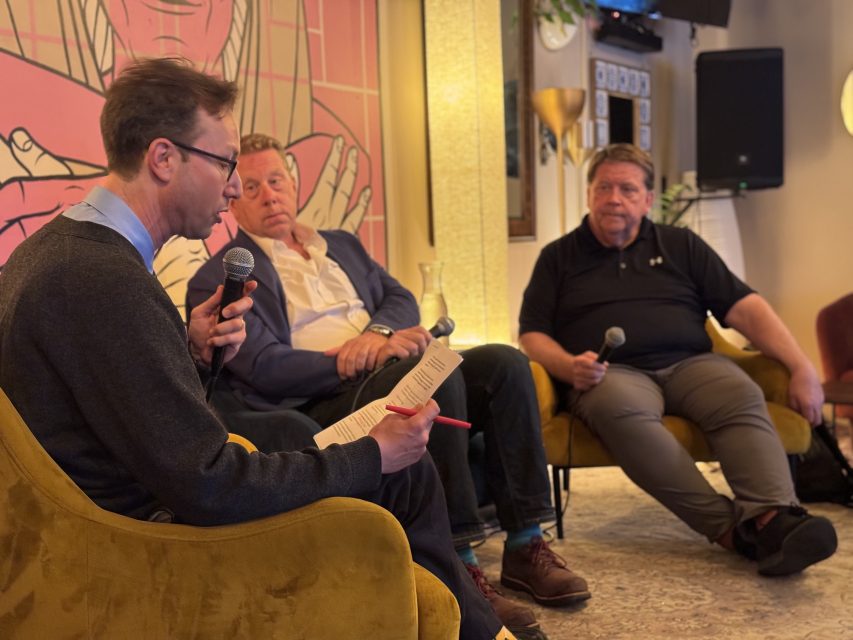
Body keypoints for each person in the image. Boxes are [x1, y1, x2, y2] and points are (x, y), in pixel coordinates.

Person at [0, 57, 509, 640]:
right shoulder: (104, 280)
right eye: (225, 163)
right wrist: (371, 454)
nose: (237, 186)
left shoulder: (52, 252)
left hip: (114, 514)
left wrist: (186, 349)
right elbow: (210, 484)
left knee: (400, 470)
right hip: (143, 544)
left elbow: (122, 412)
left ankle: (467, 618)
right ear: (164, 159)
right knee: (400, 471)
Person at [186, 133, 591, 636]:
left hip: (386, 364)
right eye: (250, 187)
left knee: (506, 364)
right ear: (232, 199)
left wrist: (378, 334)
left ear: (293, 183)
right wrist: (348, 360)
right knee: (429, 381)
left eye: (276, 181)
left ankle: (525, 543)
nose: (269, 195)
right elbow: (265, 366)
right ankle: (460, 561)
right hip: (324, 399)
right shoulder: (219, 277)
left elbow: (399, 298)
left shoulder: (342, 245)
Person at [518, 142, 837, 577]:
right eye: (605, 187)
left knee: (739, 392)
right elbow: (531, 334)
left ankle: (772, 518)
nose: (614, 198)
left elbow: (745, 307)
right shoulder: (558, 258)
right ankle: (731, 531)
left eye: (628, 189)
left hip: (691, 364)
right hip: (614, 374)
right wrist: (566, 365)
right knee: (621, 410)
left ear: (648, 199)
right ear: (589, 193)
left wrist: (802, 366)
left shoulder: (681, 245)